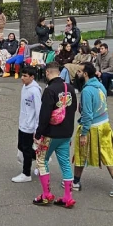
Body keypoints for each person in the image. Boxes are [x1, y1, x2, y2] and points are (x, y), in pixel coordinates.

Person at [71, 64, 113, 197]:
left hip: (92, 127)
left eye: (79, 71)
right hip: (104, 124)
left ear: (85, 74)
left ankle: (76, 182)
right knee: (108, 154)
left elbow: (87, 114)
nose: (77, 73)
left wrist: (84, 133)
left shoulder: (86, 91)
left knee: (80, 153)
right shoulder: (100, 85)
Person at [32, 63, 78, 207]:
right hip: (66, 132)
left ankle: (46, 194)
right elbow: (73, 109)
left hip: (51, 133)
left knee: (41, 160)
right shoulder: (69, 88)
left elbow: (44, 115)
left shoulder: (50, 90)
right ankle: (67, 197)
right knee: (65, 163)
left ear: (47, 73)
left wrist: (39, 133)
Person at [12, 66, 42, 183]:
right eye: (22, 75)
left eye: (25, 76)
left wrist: (36, 128)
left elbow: (38, 110)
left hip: (30, 126)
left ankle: (26, 173)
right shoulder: (24, 87)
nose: (22, 78)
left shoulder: (35, 90)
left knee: (26, 150)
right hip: (22, 123)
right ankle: (41, 157)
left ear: (32, 77)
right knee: (21, 147)